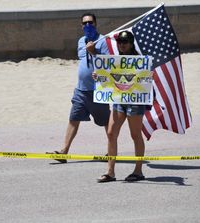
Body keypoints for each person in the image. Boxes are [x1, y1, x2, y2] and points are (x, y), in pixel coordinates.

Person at [46, 13, 110, 163]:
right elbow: (82, 59)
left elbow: (108, 64)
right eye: (85, 23)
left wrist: (94, 52)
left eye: (91, 23)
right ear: (81, 25)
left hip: (98, 91)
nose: (88, 25)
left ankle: (111, 151)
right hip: (81, 90)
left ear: (96, 23)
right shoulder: (81, 41)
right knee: (73, 119)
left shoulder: (103, 41)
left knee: (106, 122)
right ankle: (64, 152)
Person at [97, 31, 149, 182]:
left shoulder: (139, 60)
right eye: (120, 42)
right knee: (111, 133)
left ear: (131, 43)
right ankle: (110, 171)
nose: (122, 44)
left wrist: (147, 74)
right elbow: (109, 77)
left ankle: (138, 171)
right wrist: (99, 76)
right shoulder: (116, 59)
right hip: (119, 99)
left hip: (134, 100)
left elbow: (144, 80)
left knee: (135, 134)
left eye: (125, 42)